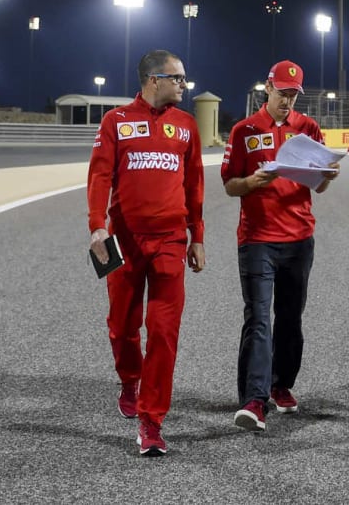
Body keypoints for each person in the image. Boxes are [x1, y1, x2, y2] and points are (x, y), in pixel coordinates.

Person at [87, 50, 205, 457]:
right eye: (178, 79)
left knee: (163, 331)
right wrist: (97, 225)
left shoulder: (187, 125)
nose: (184, 86)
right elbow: (100, 175)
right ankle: (129, 379)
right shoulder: (115, 122)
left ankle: (151, 421)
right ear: (154, 80)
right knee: (122, 326)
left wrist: (198, 237)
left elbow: (194, 188)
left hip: (171, 241)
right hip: (125, 241)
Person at [222, 60, 338, 431]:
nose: (287, 101)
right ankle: (254, 401)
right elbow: (230, 185)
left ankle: (281, 384)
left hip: (299, 239)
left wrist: (327, 176)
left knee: (290, 320)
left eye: (293, 94)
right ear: (267, 88)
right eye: (282, 92)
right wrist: (251, 183)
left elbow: (318, 186)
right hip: (257, 239)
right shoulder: (244, 130)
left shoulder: (308, 129)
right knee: (258, 319)